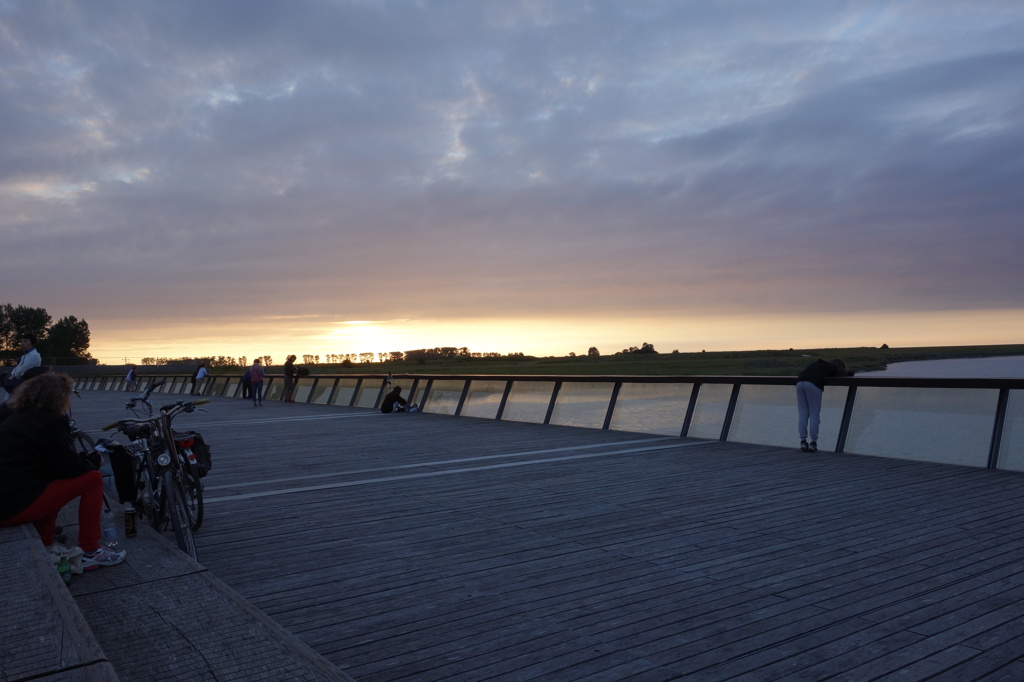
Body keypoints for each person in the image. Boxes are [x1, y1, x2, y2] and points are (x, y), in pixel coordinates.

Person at [0, 373, 126, 570]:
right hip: (11, 507)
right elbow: (69, 469)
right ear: (59, 397)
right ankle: (91, 549)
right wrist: (94, 459)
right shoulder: (51, 421)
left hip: (8, 497)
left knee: (52, 480)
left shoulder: (18, 417)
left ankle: (47, 542)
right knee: (92, 478)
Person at [796, 358, 853, 453]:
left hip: (800, 383)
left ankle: (803, 441)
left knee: (803, 413)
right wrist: (850, 373)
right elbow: (844, 373)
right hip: (813, 384)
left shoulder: (817, 364)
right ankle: (813, 443)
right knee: (814, 414)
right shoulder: (832, 367)